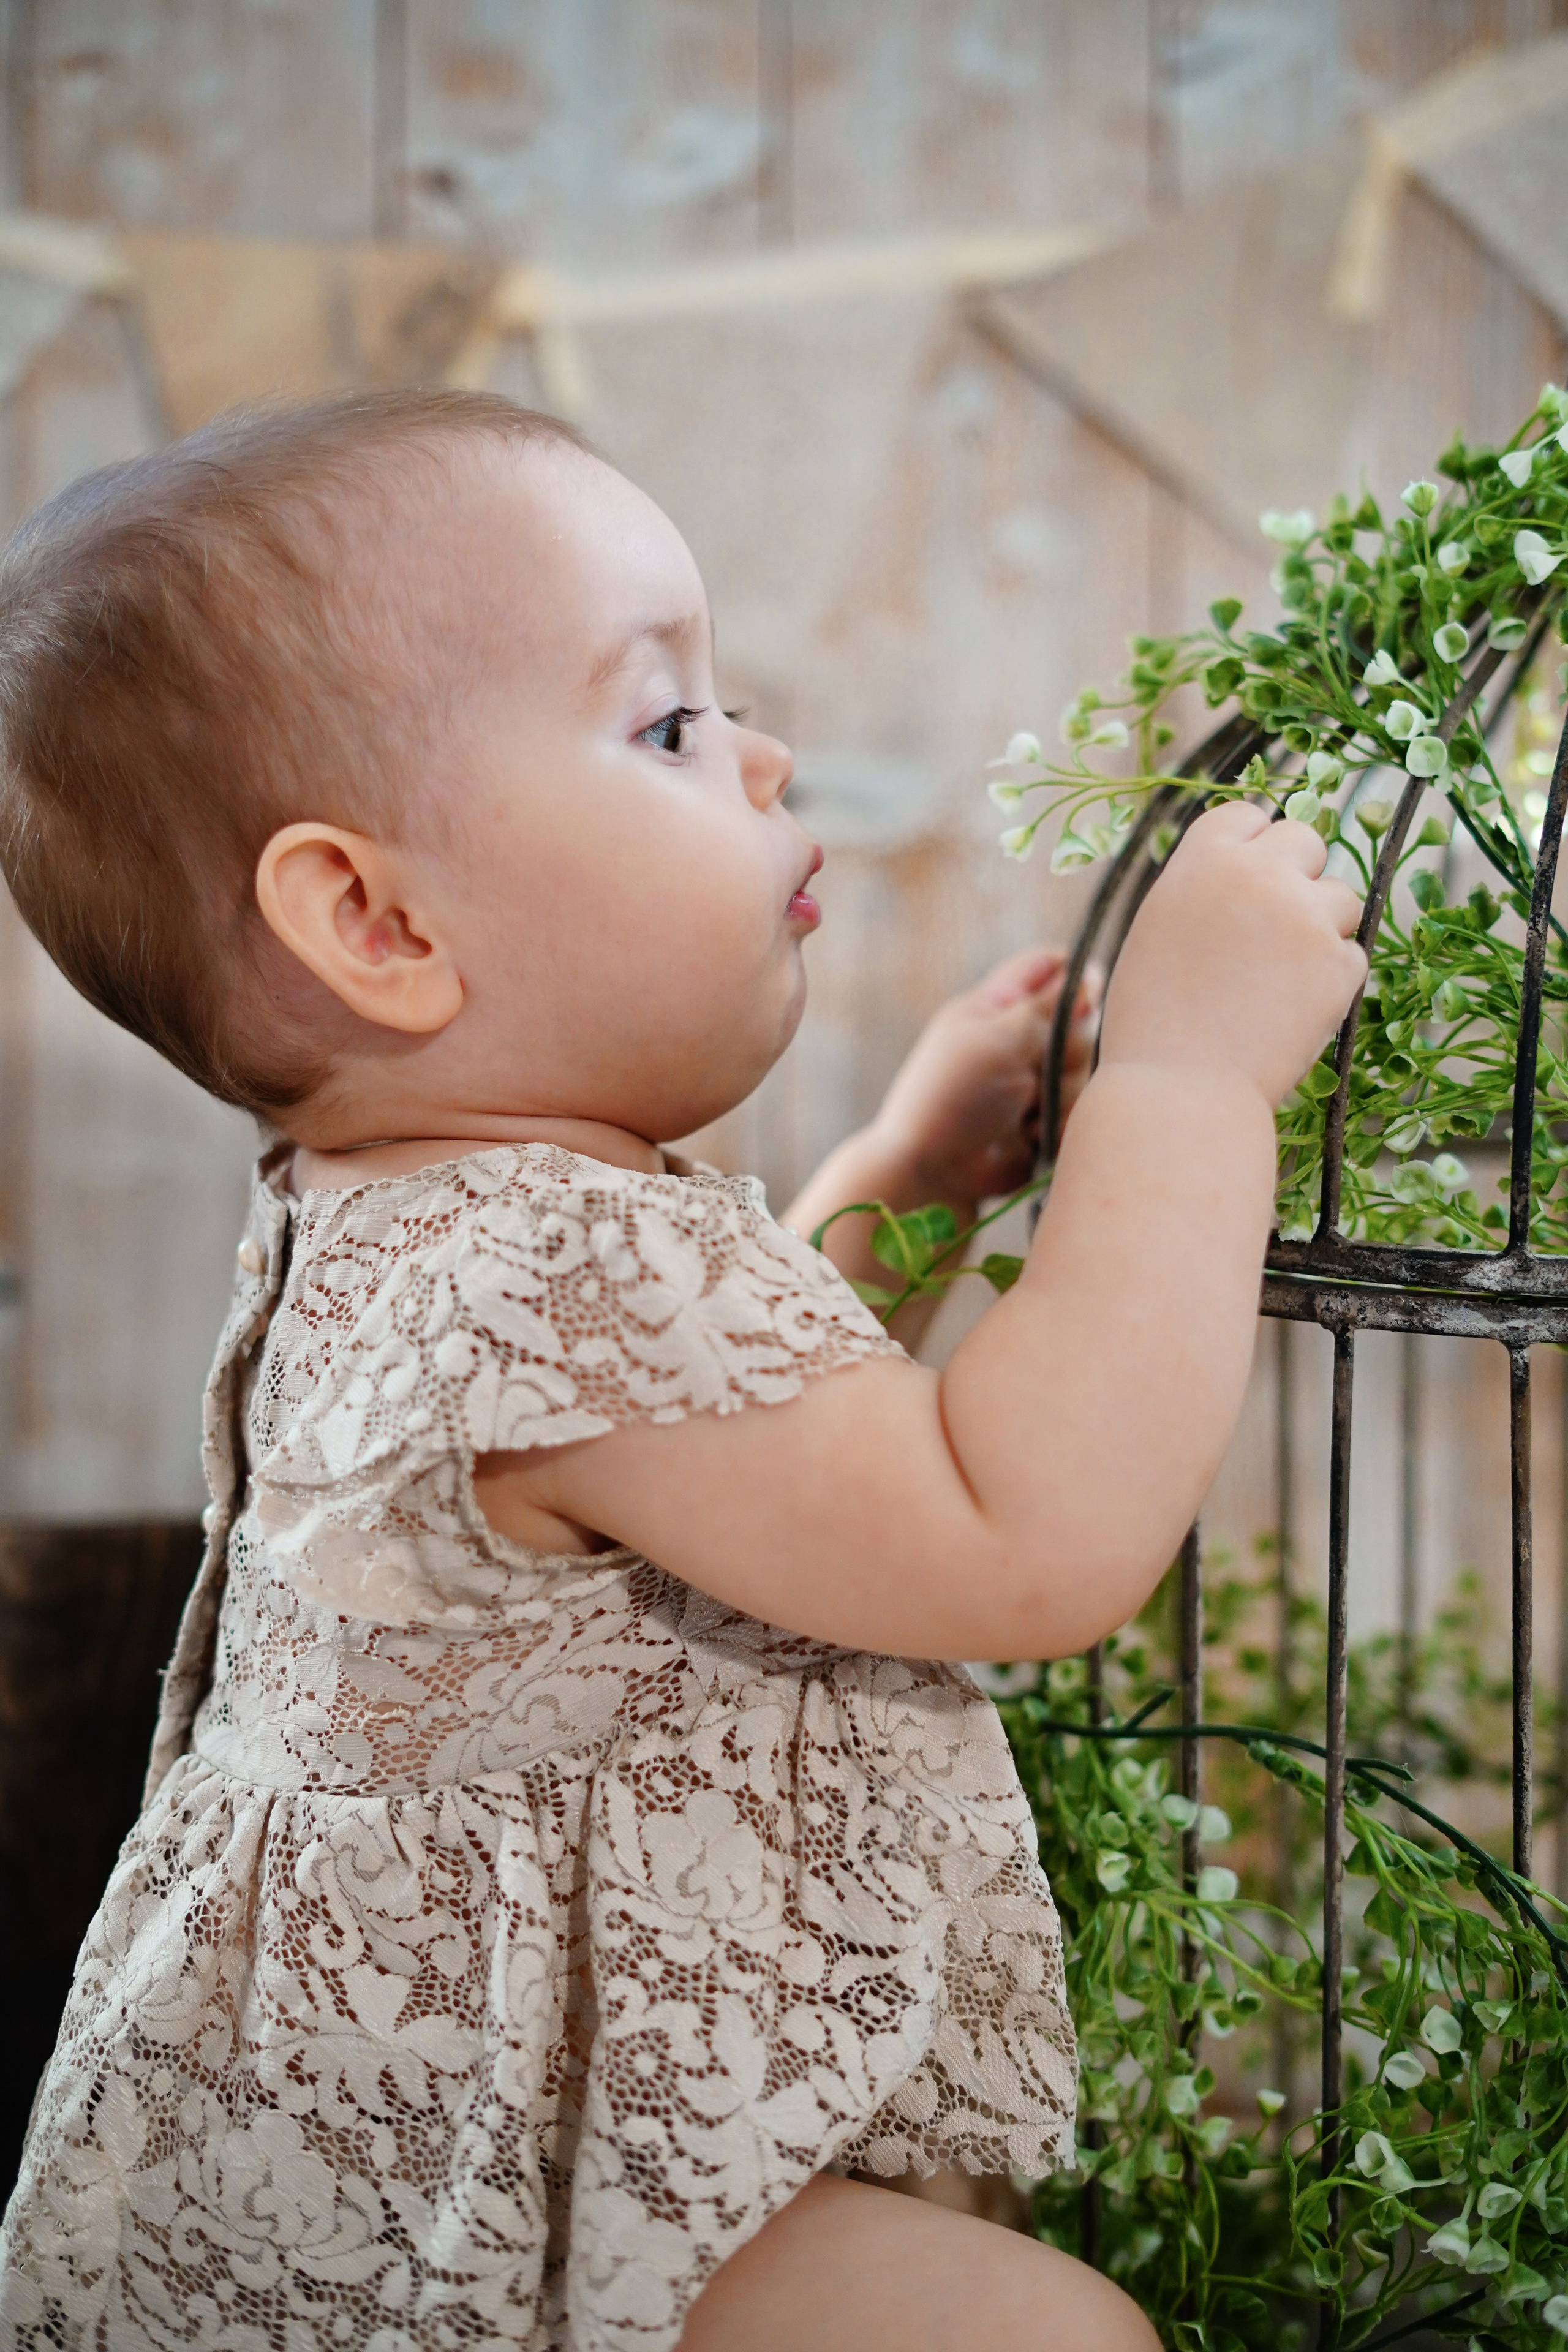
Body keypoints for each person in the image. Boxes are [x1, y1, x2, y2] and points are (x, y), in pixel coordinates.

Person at [0, 391, 1363, 2352]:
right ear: (378, 921)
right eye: (667, 725)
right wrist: (1189, 1081)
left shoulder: (422, 1219)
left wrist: (905, 1184)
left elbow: (723, 1469)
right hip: (475, 2189)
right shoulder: (537, 1256)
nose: (765, 756)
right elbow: (1013, 1535)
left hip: (378, 2122)